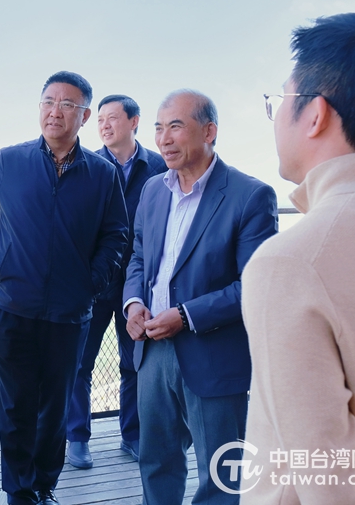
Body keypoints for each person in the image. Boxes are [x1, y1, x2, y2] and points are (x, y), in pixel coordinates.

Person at [0, 71, 129, 505]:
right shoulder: (10, 161)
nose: (55, 111)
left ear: (83, 116)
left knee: (55, 408)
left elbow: (117, 235)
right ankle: (18, 490)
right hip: (13, 307)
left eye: (67, 104)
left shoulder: (103, 174)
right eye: (48, 101)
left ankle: (44, 485)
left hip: (70, 313)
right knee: (15, 406)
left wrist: (90, 285)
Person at [240, 11, 355, 503]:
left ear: (316, 114)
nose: (275, 117)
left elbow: (330, 484)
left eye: (280, 100)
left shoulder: (293, 262)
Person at [123, 89, 277, 504]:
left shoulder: (250, 195)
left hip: (213, 353)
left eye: (175, 126)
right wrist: (133, 303)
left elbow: (255, 285)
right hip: (151, 350)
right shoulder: (153, 191)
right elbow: (139, 256)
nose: (164, 138)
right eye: (158, 127)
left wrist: (186, 315)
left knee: (220, 473)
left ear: (209, 131)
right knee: (156, 462)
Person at [66, 95, 166, 469]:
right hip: (93, 283)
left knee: (134, 363)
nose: (105, 125)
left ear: (134, 121)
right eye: (100, 120)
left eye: (112, 118)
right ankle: (77, 437)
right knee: (80, 364)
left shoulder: (158, 167)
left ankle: (132, 435)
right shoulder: (87, 165)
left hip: (138, 286)